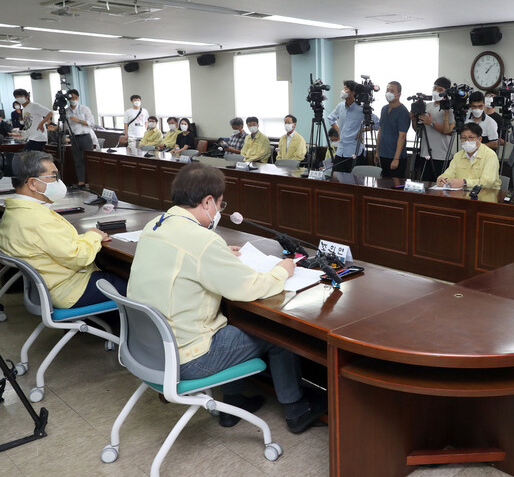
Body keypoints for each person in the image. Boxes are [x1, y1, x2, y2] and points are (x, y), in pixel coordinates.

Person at [127, 163, 326, 432]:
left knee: (234, 324)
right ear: (208, 201)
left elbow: (184, 259)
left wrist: (218, 255)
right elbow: (248, 288)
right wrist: (283, 270)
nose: (219, 210)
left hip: (148, 349)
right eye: (220, 204)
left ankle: (232, 404)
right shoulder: (202, 241)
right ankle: (296, 409)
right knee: (278, 333)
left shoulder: (156, 225)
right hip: (189, 357)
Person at [0, 151, 127, 308]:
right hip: (72, 290)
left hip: (52, 286)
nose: (58, 182)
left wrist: (85, 238)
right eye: (54, 176)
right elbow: (77, 257)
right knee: (136, 287)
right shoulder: (38, 219)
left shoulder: (16, 211)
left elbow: (56, 246)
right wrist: (93, 236)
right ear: (32, 183)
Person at [327, 80, 379, 173]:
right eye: (344, 88)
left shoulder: (361, 109)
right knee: (337, 177)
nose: (343, 91)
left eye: (346, 89)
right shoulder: (340, 106)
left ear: (353, 93)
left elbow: (377, 125)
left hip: (355, 150)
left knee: (355, 180)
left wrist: (362, 130)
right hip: (341, 150)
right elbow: (331, 118)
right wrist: (339, 130)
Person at [410, 76, 455, 182]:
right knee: (425, 185)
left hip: (441, 156)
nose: (436, 91)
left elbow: (448, 131)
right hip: (425, 153)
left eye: (440, 90)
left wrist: (431, 123)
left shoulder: (449, 109)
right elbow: (418, 131)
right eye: (434, 88)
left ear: (446, 92)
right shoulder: (426, 106)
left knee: (439, 186)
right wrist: (413, 120)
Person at [436, 122, 500, 190]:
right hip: (462, 194)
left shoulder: (490, 155)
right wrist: (442, 179)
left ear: (480, 139)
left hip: (486, 195)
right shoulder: (458, 155)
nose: (467, 141)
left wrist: (464, 182)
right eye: (463, 138)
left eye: (471, 137)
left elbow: (488, 182)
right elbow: (449, 173)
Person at [376, 81, 411, 178]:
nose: (388, 93)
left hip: (395, 157)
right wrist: (377, 151)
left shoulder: (403, 111)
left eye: (392, 91)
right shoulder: (384, 109)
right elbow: (380, 130)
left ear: (399, 94)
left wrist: (396, 158)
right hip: (383, 155)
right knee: (382, 186)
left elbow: (402, 136)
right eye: (387, 90)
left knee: (396, 188)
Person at [65, 89, 95, 189]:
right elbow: (65, 126)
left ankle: (91, 181)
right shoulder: (66, 111)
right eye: (71, 98)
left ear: (78, 98)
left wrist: (78, 120)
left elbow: (91, 123)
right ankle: (81, 182)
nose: (73, 100)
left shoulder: (84, 109)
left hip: (85, 136)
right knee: (78, 161)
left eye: (75, 98)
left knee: (88, 159)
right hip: (74, 138)